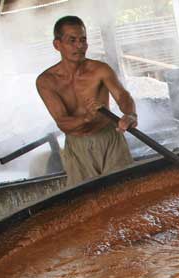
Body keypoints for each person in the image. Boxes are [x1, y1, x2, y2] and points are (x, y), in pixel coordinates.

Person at [36, 15, 138, 187]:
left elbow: (122, 96)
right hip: (78, 146)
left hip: (109, 138)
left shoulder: (99, 70)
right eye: (72, 40)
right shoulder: (46, 81)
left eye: (83, 40)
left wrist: (130, 114)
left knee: (124, 190)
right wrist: (87, 118)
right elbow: (63, 122)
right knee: (87, 198)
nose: (80, 46)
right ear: (57, 45)